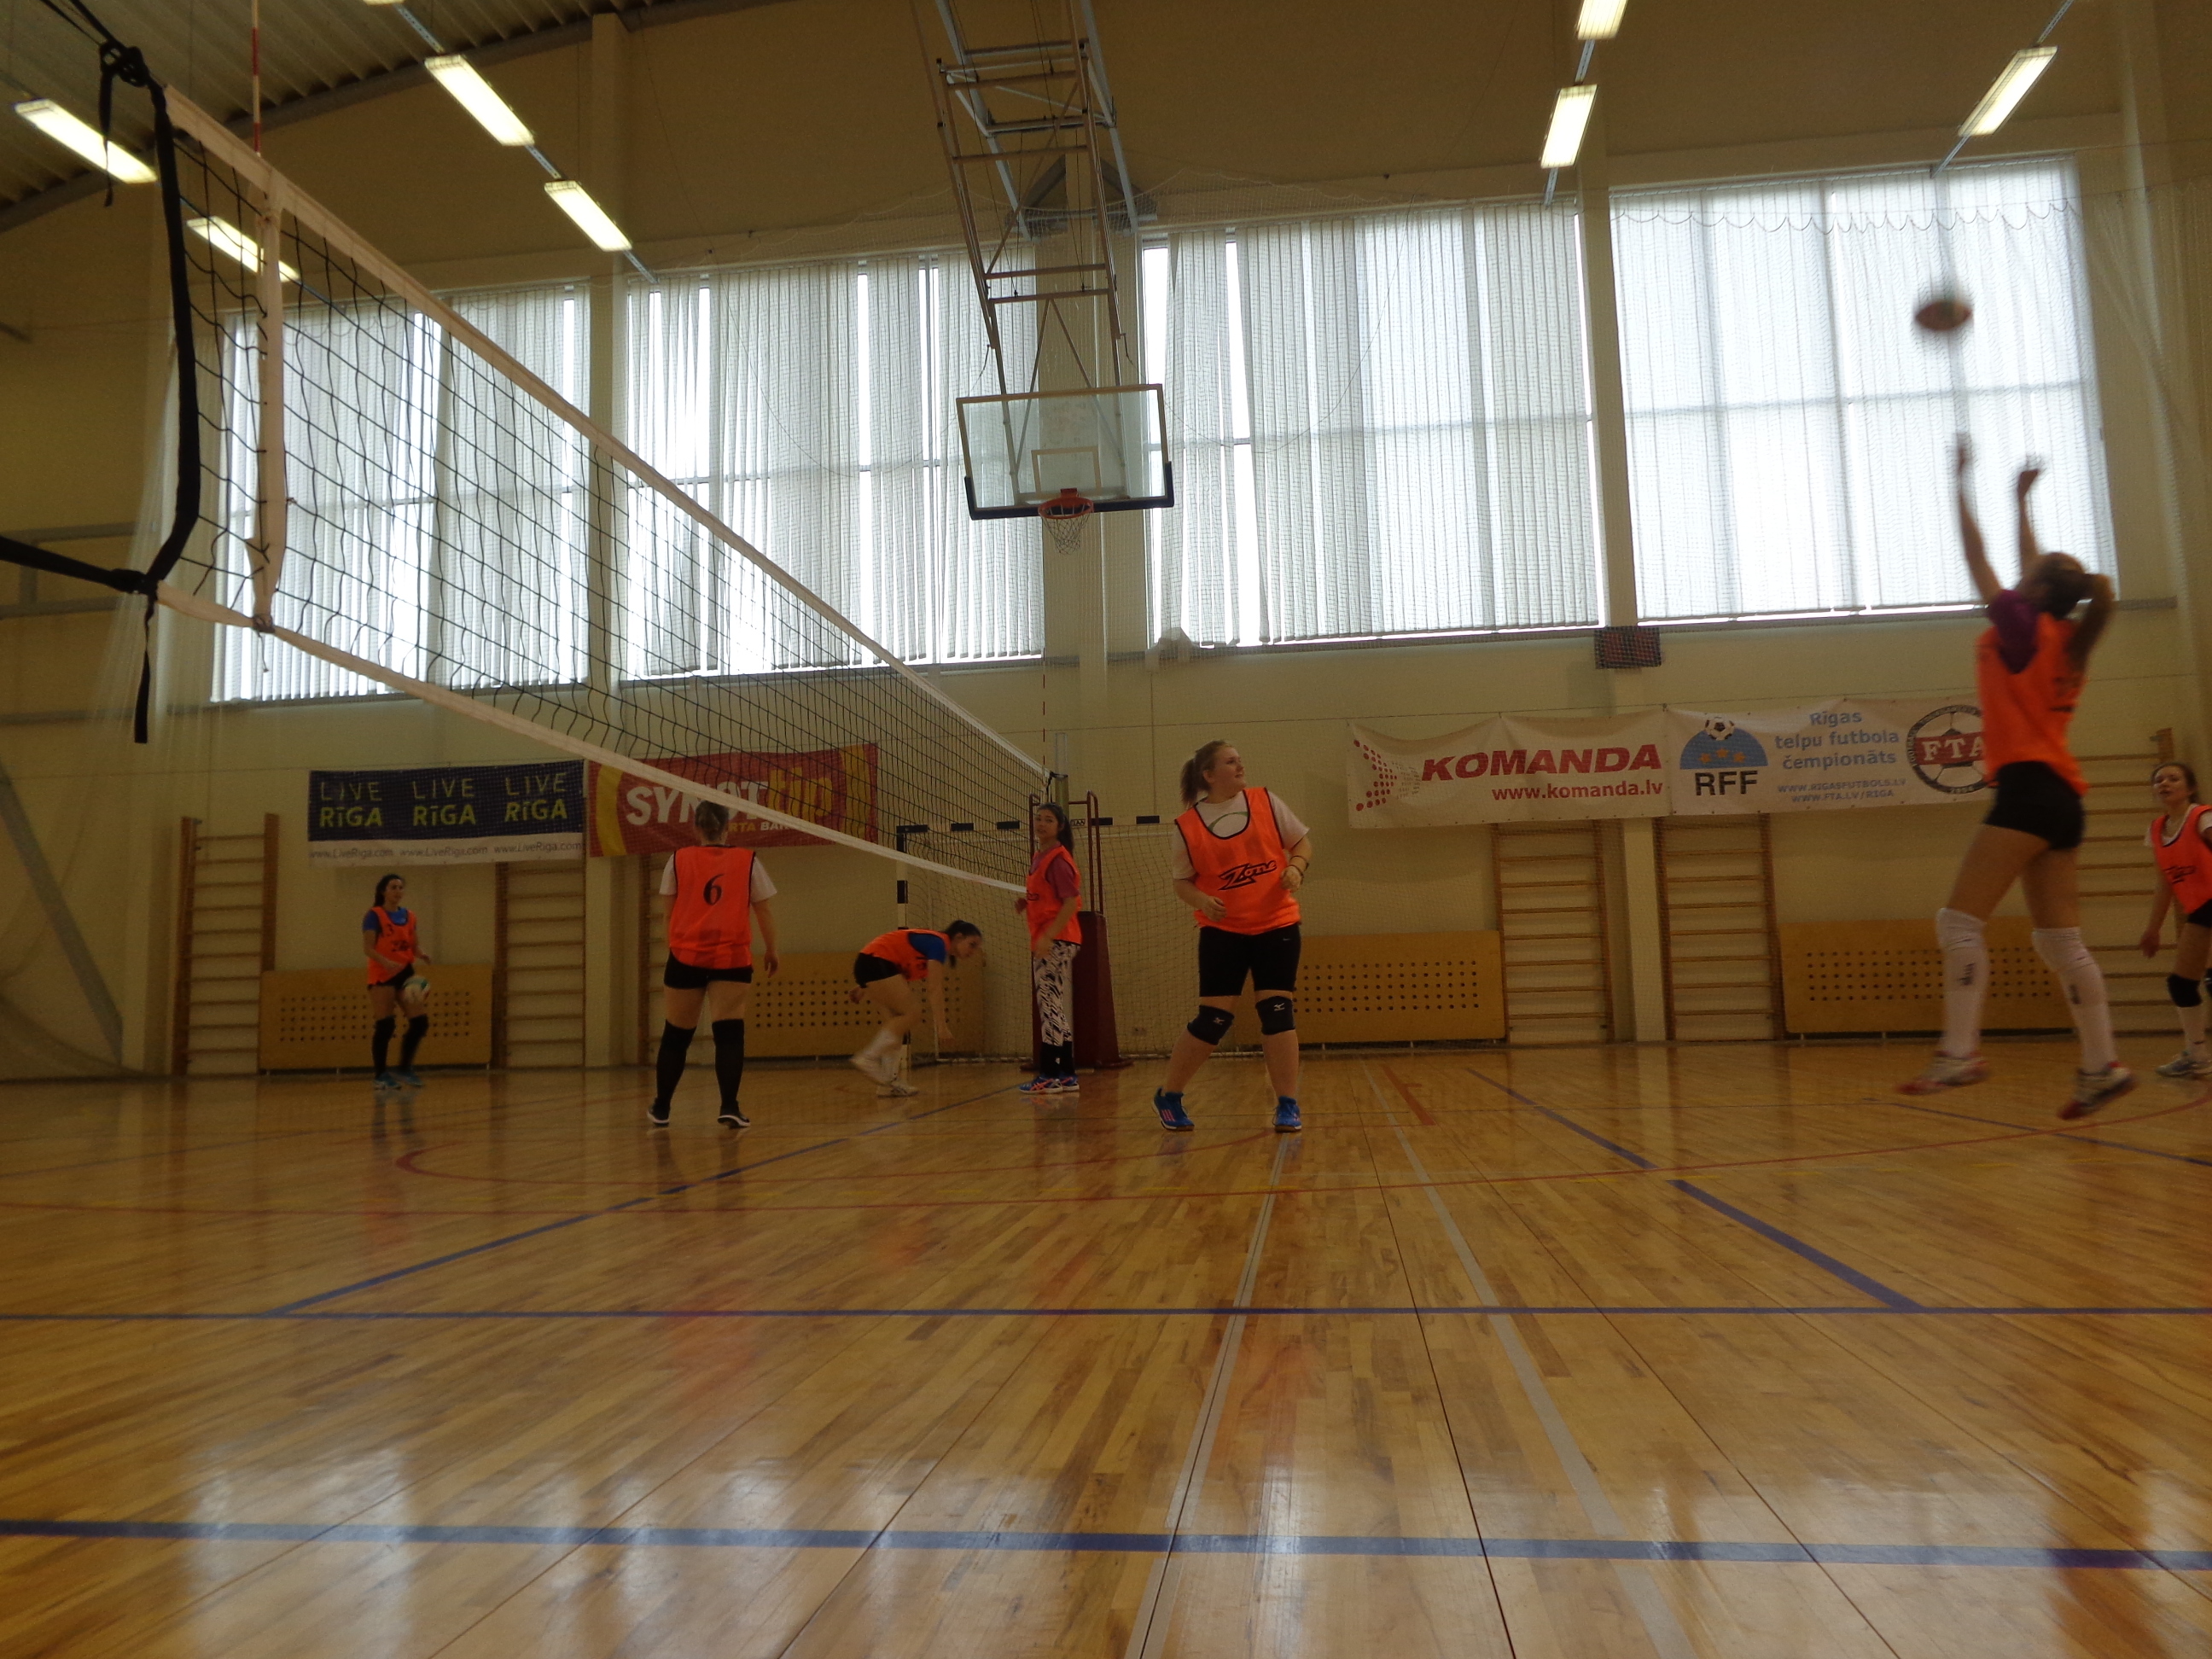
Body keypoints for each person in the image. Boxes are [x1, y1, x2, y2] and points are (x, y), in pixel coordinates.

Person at [1899, 439, 2129, 1119]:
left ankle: (1959, 1053)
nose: (2021, 578)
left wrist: (1959, 483)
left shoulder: (2021, 628)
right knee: (2061, 942)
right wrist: (2021, 500)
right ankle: (2101, 1066)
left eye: (2031, 577)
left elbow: (1977, 557)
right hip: (2064, 798)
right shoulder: (2068, 636)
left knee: (1958, 923)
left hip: (2028, 791)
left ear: (2037, 593)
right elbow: (2038, 569)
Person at [1153, 740, 1311, 1133]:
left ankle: (1287, 1103)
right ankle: (1169, 1094)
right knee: (1213, 1019)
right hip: (1224, 932)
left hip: (1277, 924)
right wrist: (1203, 901)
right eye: (1230, 762)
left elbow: (1301, 843)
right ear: (1208, 775)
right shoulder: (1187, 826)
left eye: (1240, 760)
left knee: (1278, 1011)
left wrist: (1296, 867)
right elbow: (1181, 882)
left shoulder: (1266, 801)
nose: (1240, 766)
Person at [648, 800, 779, 1129]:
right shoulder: (748, 861)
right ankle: (729, 1106)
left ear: (696, 827)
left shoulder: (678, 859)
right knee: (729, 1034)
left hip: (686, 956)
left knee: (676, 1035)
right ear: (727, 827)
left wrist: (675, 948)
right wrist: (771, 950)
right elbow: (763, 910)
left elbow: (667, 913)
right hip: (731, 957)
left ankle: (662, 1108)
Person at [2137, 760, 2212, 1081]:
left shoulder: (2202, 817)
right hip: (2201, 909)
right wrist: (2153, 929)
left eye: (2173, 779)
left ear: (2190, 788)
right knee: (2181, 983)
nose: (2164, 784)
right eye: (2159, 780)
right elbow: (2165, 883)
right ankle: (2197, 1056)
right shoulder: (2157, 829)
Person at [850, 921, 984, 1097]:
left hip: (871, 964)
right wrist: (942, 1027)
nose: (973, 952)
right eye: (972, 945)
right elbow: (934, 989)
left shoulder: (934, 947)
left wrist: (863, 986)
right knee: (912, 1013)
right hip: (875, 962)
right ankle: (869, 1057)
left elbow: (897, 964)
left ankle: (888, 1083)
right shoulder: (939, 943)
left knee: (896, 1026)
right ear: (958, 937)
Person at [1016, 801, 1084, 1096]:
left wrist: (1049, 937)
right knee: (1053, 1004)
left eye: (1048, 820)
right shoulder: (1040, 856)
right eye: (1039, 819)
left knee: (1048, 1006)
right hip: (1052, 938)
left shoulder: (1058, 859)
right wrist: (1027, 902)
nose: (1041, 824)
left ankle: (1049, 1075)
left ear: (1060, 827)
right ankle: (1067, 1074)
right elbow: (1048, 896)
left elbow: (1070, 903)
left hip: (1056, 939)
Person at [364, 873, 432, 1090]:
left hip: (405, 973)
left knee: (420, 1022)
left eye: (400, 887)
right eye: (393, 887)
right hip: (383, 974)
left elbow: (413, 945)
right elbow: (368, 948)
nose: (397, 891)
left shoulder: (410, 916)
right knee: (386, 1025)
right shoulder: (374, 915)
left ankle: (404, 1068)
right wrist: (386, 962)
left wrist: (421, 954)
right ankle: (380, 1075)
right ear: (383, 891)